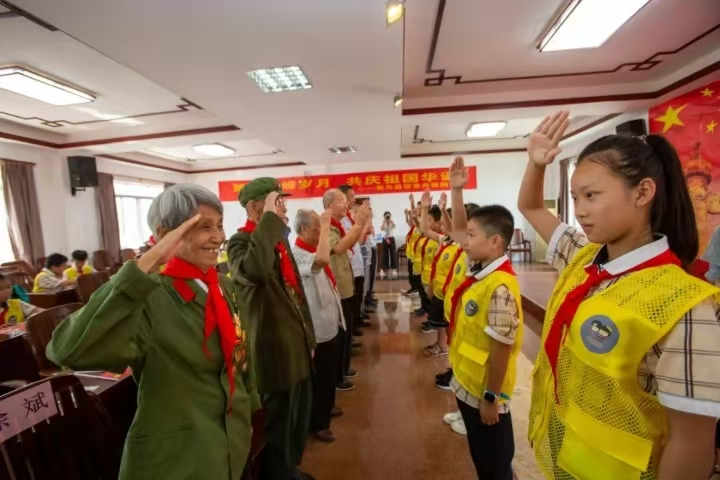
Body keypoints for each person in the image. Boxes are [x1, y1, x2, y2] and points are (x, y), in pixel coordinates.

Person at [518, 111, 720, 479]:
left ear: (643, 192)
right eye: (575, 197)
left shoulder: (684, 305)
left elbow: (691, 443)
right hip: (568, 461)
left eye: (591, 196)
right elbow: (531, 207)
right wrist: (535, 164)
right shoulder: (584, 258)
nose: (580, 211)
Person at [47, 184, 260, 480]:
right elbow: (68, 350)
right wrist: (148, 262)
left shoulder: (223, 287)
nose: (218, 236)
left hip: (228, 443)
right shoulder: (148, 296)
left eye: (220, 225)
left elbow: (241, 357)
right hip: (177, 458)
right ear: (165, 233)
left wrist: (248, 413)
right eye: (205, 227)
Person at [227, 177, 316, 480]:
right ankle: (277, 474)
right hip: (273, 347)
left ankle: (289, 468)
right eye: (277, 202)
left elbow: (296, 290)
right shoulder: (239, 243)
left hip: (295, 342)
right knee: (278, 420)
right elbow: (255, 270)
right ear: (256, 207)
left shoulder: (277, 240)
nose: (284, 208)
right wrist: (267, 222)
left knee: (296, 415)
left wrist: (309, 337)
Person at [441, 157, 524, 480]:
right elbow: (460, 229)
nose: (464, 240)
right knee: (482, 454)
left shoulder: (499, 287)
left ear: (495, 242)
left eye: (472, 235)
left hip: (484, 392)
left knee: (494, 460)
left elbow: (502, 348)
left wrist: (492, 397)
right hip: (468, 382)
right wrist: (457, 192)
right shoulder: (480, 268)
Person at [291, 209, 345, 444]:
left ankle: (327, 407)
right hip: (316, 328)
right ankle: (319, 424)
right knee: (320, 377)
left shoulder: (312, 249)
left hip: (328, 323)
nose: (321, 233)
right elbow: (321, 261)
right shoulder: (297, 254)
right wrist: (325, 227)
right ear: (303, 230)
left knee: (328, 373)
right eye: (316, 228)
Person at [323, 188, 371, 392]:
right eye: (341, 201)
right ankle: (337, 376)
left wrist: (360, 224)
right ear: (329, 206)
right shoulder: (327, 226)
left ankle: (343, 369)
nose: (345, 204)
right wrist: (359, 224)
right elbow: (339, 248)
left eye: (345, 201)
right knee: (341, 333)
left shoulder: (338, 225)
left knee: (347, 331)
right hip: (338, 287)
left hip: (346, 283)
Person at [338, 185, 368, 336]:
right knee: (351, 301)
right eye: (351, 197)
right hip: (349, 266)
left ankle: (356, 321)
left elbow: (356, 241)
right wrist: (361, 224)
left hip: (356, 263)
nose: (353, 200)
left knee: (357, 296)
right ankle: (352, 328)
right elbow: (346, 243)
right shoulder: (340, 221)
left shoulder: (348, 218)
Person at [380, 211, 398, 279]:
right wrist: (384, 222)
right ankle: (382, 270)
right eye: (386, 216)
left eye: (388, 216)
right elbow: (382, 229)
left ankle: (394, 269)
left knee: (393, 254)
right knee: (384, 254)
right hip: (385, 239)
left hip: (391, 238)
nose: (387, 217)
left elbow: (394, 226)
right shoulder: (383, 222)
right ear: (384, 217)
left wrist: (390, 221)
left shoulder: (391, 222)